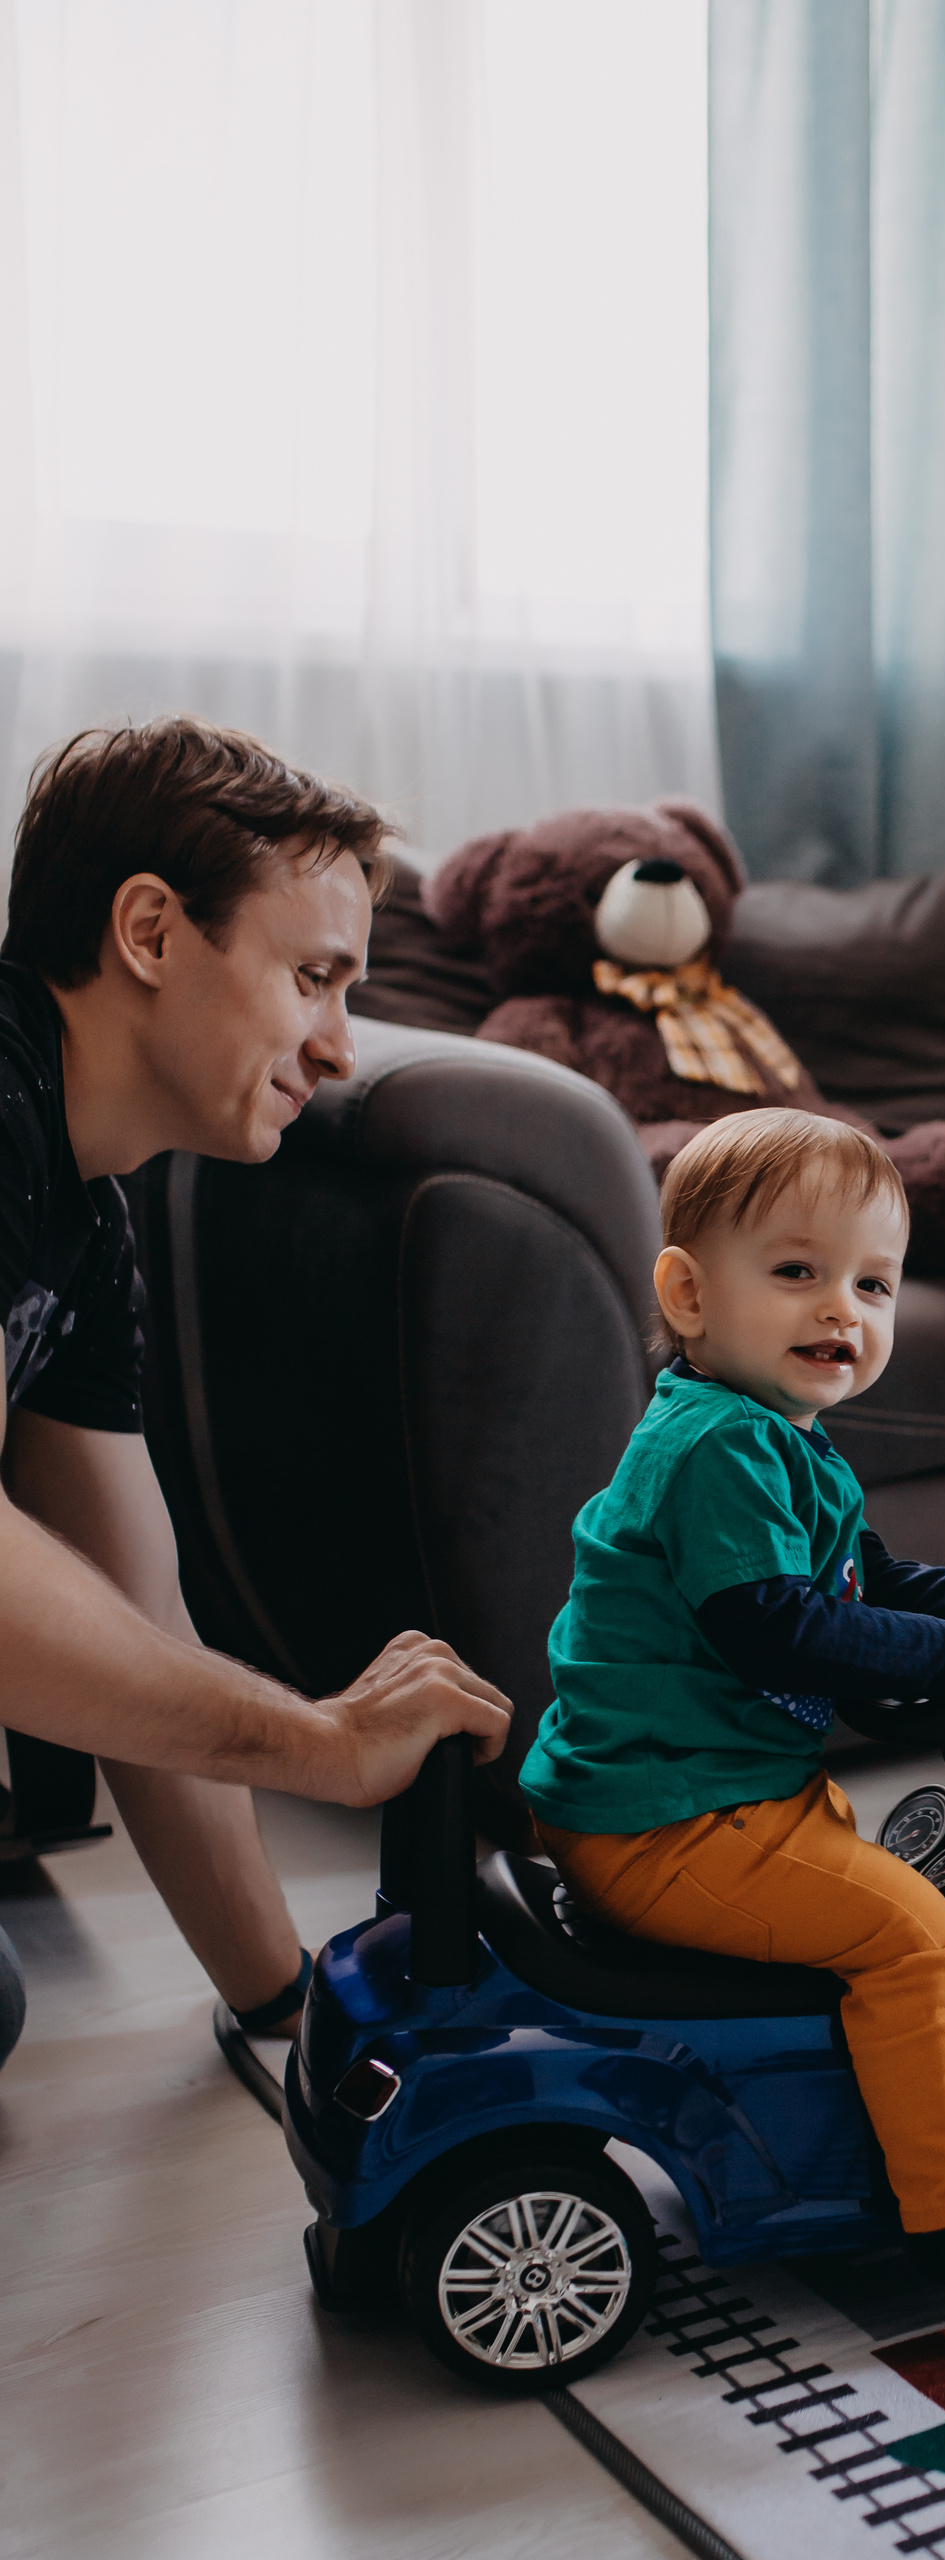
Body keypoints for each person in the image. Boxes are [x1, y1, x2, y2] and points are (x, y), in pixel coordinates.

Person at [519, 1106, 945, 2285]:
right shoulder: (717, 1452)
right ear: (689, 1296)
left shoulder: (773, 1437)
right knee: (914, 1932)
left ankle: (883, 2117)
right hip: (667, 1820)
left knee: (872, 1886)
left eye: (872, 1284)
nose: (840, 1309)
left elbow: (877, 1579)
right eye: (796, 1272)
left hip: (710, 1790)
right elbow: (775, 1624)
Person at [1, 718, 512, 2055]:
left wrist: (287, 2011)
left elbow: (133, 1610)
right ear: (153, 933)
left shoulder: (87, 1221)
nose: (340, 1048)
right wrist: (320, 1742)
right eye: (313, 977)